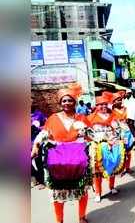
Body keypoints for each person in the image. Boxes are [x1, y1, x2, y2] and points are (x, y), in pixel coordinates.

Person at [31, 84, 91, 223]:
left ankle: (82, 217)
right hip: (57, 160)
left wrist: (86, 132)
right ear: (60, 103)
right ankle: (59, 220)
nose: (67, 103)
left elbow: (91, 136)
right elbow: (44, 134)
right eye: (64, 100)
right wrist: (36, 146)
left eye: (70, 100)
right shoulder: (53, 118)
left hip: (79, 159)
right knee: (57, 193)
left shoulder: (81, 118)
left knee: (82, 190)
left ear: (74, 102)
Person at [88, 92, 123, 203]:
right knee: (97, 171)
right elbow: (88, 133)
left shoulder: (113, 117)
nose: (103, 106)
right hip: (97, 148)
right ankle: (98, 192)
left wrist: (114, 140)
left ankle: (111, 187)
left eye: (105, 104)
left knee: (112, 166)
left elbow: (118, 130)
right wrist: (100, 140)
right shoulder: (90, 118)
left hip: (112, 145)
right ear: (96, 106)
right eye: (100, 104)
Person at [112, 91, 135, 175]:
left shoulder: (126, 109)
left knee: (129, 152)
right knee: (121, 152)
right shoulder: (111, 112)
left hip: (128, 132)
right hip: (119, 134)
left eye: (120, 99)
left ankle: (128, 168)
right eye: (117, 100)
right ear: (113, 102)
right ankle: (121, 168)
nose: (119, 101)